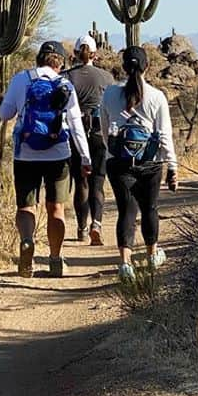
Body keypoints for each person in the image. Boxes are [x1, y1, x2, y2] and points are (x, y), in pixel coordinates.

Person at [0, 40, 91, 278]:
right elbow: (76, 124)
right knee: (56, 208)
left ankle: (27, 241)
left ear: (39, 59)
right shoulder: (64, 84)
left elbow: (4, 114)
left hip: (26, 153)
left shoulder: (21, 79)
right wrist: (85, 156)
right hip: (58, 154)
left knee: (26, 206)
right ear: (60, 63)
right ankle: (55, 258)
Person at [100, 45, 178, 282]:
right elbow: (164, 135)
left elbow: (104, 129)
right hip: (150, 162)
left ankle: (125, 264)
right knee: (150, 208)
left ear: (123, 67)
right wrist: (172, 166)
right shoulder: (156, 96)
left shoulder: (110, 94)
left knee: (126, 210)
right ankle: (153, 255)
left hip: (119, 162)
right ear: (148, 66)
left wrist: (111, 151)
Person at [62, 34, 112, 244]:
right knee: (98, 182)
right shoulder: (106, 77)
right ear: (94, 54)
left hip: (76, 134)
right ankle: (96, 224)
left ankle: (81, 228)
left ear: (75, 53)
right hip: (100, 134)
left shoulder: (66, 77)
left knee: (80, 182)